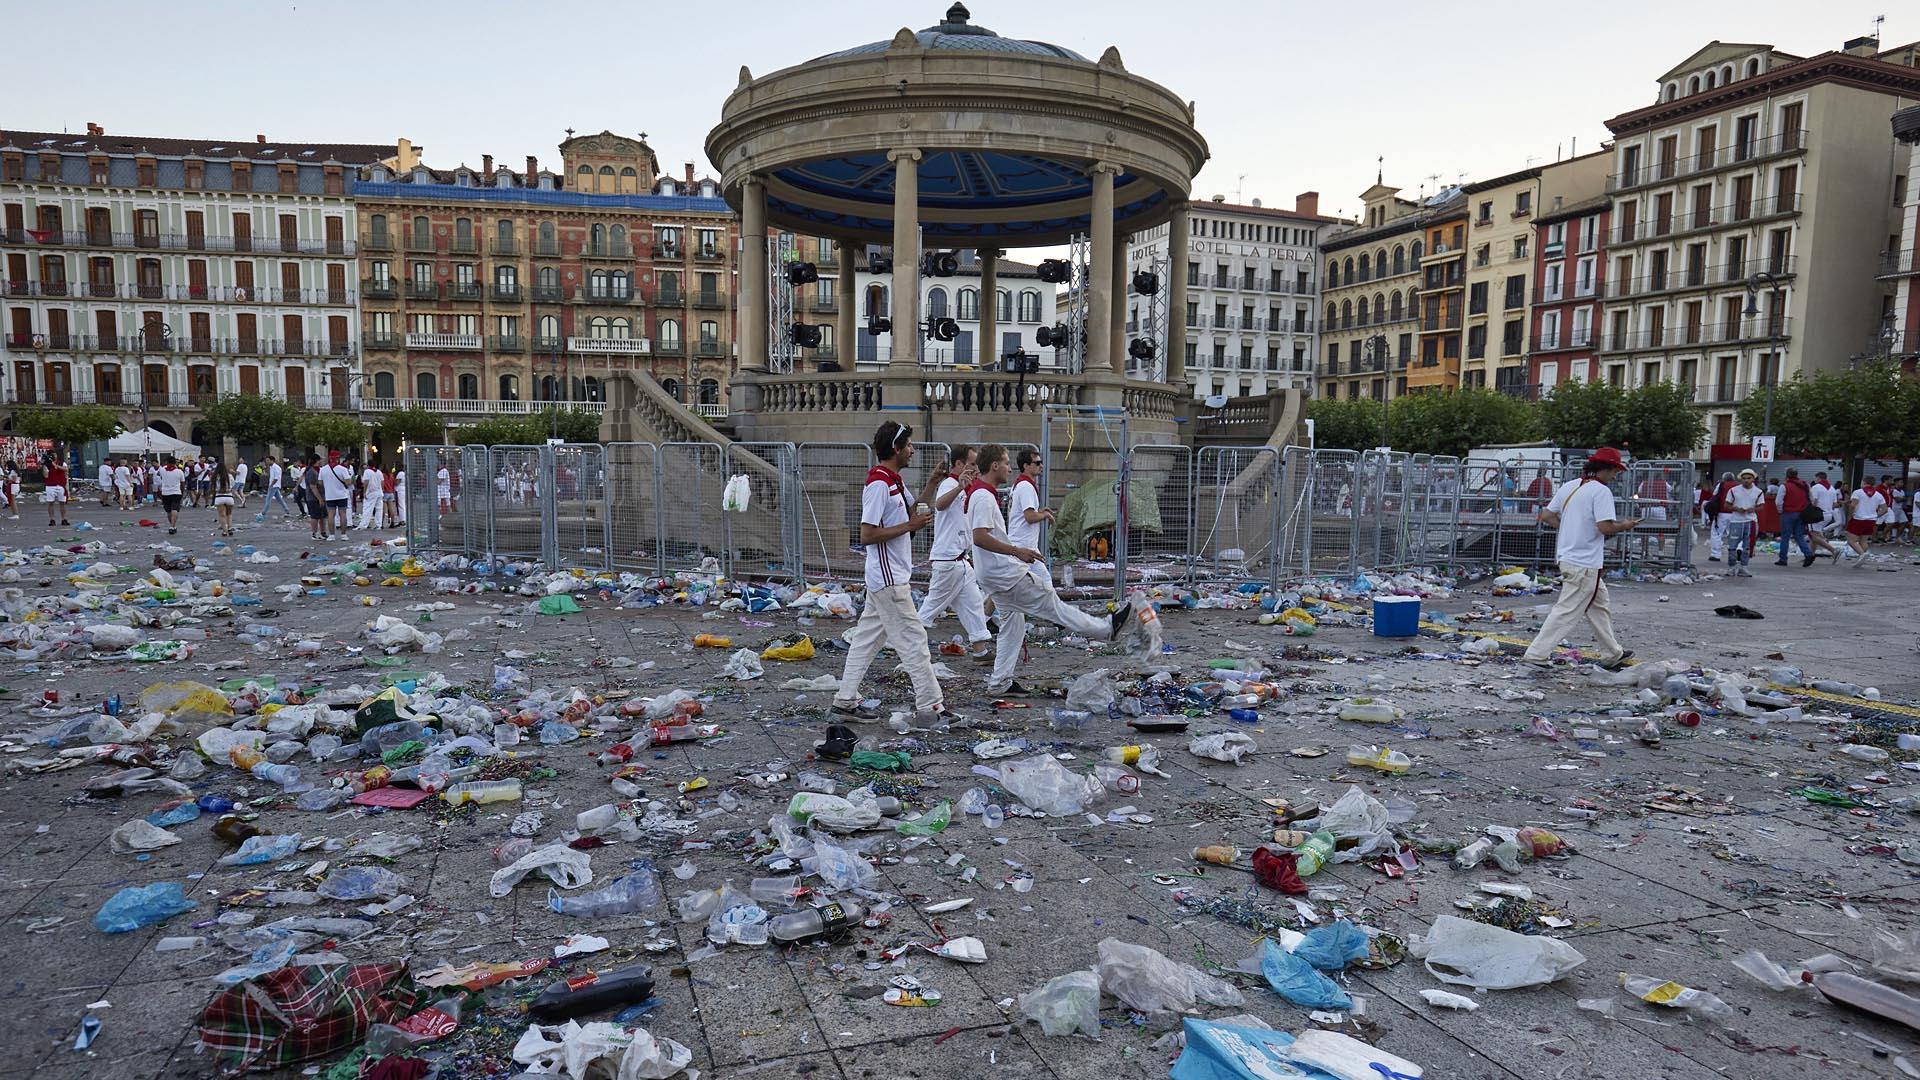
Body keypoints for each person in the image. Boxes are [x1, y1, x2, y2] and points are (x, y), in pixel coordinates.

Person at [970, 443, 1137, 697]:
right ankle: (1106, 629)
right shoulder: (983, 496)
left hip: (995, 574)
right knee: (1052, 605)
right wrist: (1016, 551)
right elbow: (980, 537)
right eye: (1005, 462)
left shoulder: (982, 492)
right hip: (1005, 574)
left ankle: (1000, 682)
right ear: (994, 466)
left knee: (1012, 626)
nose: (1008, 468)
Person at [829, 421, 956, 725]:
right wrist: (910, 527)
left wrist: (933, 482)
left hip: (888, 577)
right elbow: (867, 535)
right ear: (896, 449)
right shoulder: (878, 484)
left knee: (865, 641)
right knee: (914, 642)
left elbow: (917, 509)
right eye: (909, 445)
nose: (912, 450)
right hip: (889, 580)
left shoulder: (894, 481)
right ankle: (932, 707)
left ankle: (845, 700)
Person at [1522, 447, 1639, 669]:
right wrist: (1625, 525)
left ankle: (1613, 652)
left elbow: (1546, 515)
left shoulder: (1571, 486)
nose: (1615, 476)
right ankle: (1536, 654)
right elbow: (1604, 527)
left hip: (1569, 557)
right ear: (1605, 469)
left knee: (1599, 606)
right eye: (1615, 471)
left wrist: (1569, 528)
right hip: (1585, 562)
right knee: (1566, 611)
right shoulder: (1601, 492)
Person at [916, 444, 992, 660]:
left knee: (974, 604)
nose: (976, 468)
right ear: (959, 464)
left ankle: (981, 651)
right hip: (947, 560)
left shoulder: (966, 486)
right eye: (972, 463)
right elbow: (939, 505)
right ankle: (910, 650)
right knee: (929, 610)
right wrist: (959, 487)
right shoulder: (950, 483)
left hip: (960, 559)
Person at [1008, 448, 1053, 564]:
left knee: (1039, 580)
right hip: (1024, 546)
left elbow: (1025, 513)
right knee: (1044, 581)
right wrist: (1045, 515)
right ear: (1026, 466)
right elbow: (1030, 517)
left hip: (1023, 544)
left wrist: (1040, 512)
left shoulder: (1020, 484)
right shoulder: (1026, 486)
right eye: (1037, 463)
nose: (1041, 466)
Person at [1719, 469, 1763, 577]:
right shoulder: (1733, 490)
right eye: (1744, 478)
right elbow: (1726, 505)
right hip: (1736, 520)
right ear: (1740, 479)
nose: (1746, 480)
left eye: (1749, 478)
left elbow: (1761, 506)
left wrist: (1753, 509)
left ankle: (1744, 567)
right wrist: (1737, 509)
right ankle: (1731, 567)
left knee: (1747, 546)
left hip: (1751, 521)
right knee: (1732, 546)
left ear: (1753, 479)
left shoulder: (1758, 492)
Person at [1773, 468, 1814, 568]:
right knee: (1799, 536)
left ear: (1787, 475)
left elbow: (1778, 501)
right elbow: (1811, 498)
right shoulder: (1805, 485)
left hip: (1788, 513)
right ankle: (1808, 554)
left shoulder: (1784, 486)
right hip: (1802, 514)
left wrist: (1780, 511)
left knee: (1785, 537)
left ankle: (1783, 559)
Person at [1844, 478, 1887, 566]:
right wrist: (1876, 515)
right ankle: (1862, 558)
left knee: (1851, 540)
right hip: (1871, 520)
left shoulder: (1858, 492)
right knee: (1863, 541)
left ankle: (1862, 555)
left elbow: (1852, 505)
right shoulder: (1878, 495)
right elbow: (1885, 509)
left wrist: (1849, 516)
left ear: (1863, 482)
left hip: (1858, 519)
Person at [320, 451, 354, 537]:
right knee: (343, 514)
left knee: (331, 515)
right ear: (338, 458)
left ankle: (331, 535)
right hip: (342, 495)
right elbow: (348, 482)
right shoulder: (343, 469)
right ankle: (343, 535)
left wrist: (328, 486)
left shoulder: (323, 469)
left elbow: (320, 483)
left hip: (329, 495)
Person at [1705, 471, 1736, 561]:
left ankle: (1716, 554)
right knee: (1735, 534)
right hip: (1735, 513)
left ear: (1724, 478)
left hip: (1722, 513)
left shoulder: (1721, 485)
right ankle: (1737, 552)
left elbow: (1714, 496)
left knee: (1716, 533)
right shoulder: (1739, 485)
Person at [156, 458, 185, 535]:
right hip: (176, 492)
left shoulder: (162, 470)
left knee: (168, 511)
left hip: (165, 493)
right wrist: (182, 492)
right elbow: (182, 483)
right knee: (175, 509)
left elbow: (158, 475)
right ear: (175, 463)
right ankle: (172, 526)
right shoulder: (179, 472)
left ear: (167, 462)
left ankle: (172, 525)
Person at [304, 453, 330, 540]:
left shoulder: (319, 470)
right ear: (316, 461)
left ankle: (323, 532)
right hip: (313, 498)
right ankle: (314, 533)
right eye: (319, 460)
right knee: (315, 516)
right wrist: (319, 499)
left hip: (321, 496)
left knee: (322, 516)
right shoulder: (311, 472)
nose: (321, 462)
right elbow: (313, 487)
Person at [358, 459, 387, 530]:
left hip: (371, 492)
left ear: (368, 465)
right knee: (379, 509)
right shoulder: (379, 472)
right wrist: (382, 490)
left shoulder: (367, 472)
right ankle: (378, 524)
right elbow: (382, 482)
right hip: (379, 492)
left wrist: (364, 492)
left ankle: (364, 524)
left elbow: (366, 482)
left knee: (367, 508)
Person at [43, 453, 69, 526]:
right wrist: (45, 467)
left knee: (62, 503)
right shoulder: (47, 464)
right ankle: (52, 519)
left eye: (54, 455)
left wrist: (56, 466)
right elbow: (46, 475)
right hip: (50, 485)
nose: (54, 457)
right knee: (51, 503)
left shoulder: (61, 463)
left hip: (60, 485)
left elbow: (66, 469)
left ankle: (63, 519)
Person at [211, 462, 236, 536]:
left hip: (219, 497)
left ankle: (224, 531)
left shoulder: (215, 477)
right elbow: (233, 486)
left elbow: (213, 488)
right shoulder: (230, 476)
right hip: (229, 497)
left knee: (222, 515)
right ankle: (229, 528)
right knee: (229, 514)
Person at [262, 457, 291, 521]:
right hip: (274, 485)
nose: (267, 462)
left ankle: (263, 513)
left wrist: (271, 485)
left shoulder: (276, 468)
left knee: (268, 499)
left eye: (268, 460)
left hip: (274, 485)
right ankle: (287, 511)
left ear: (272, 460)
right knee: (279, 499)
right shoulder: (271, 467)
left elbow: (276, 478)